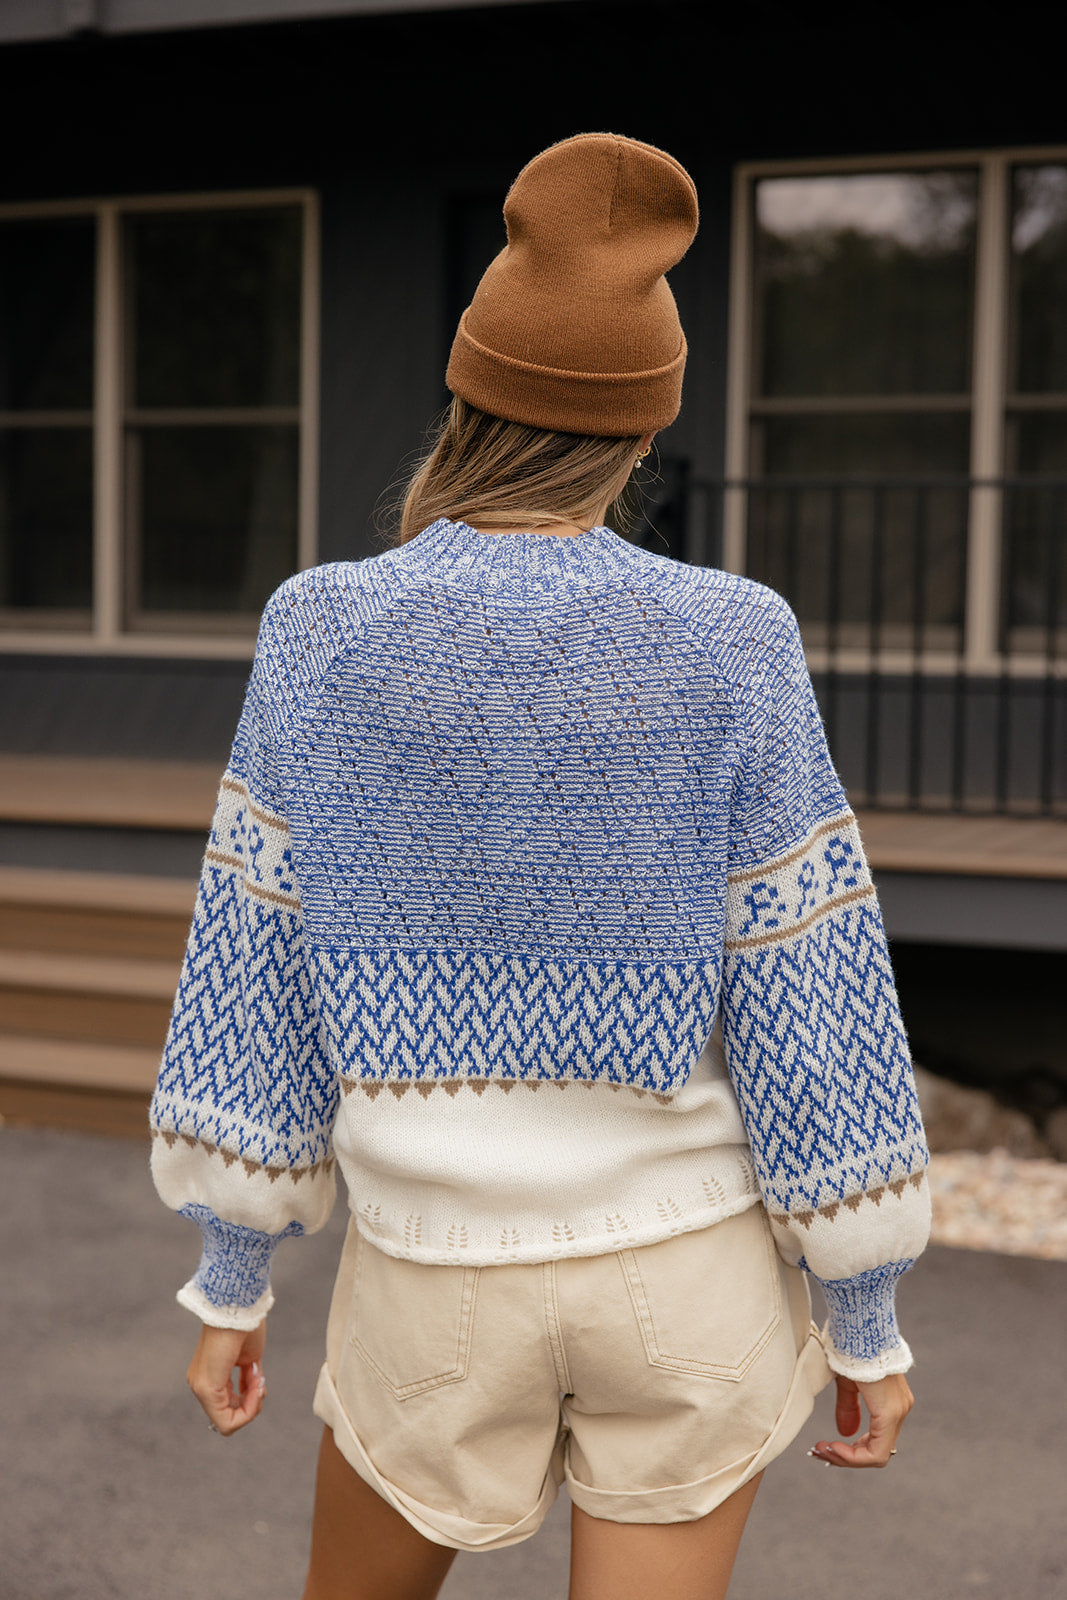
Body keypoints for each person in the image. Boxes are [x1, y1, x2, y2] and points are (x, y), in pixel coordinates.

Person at [150, 133, 930, 1600]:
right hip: (687, 1273)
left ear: (468, 395)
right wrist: (865, 1313)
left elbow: (249, 966)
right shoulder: (735, 639)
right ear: (642, 429)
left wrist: (231, 1278)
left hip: (434, 1280)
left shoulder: (323, 630)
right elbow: (804, 979)